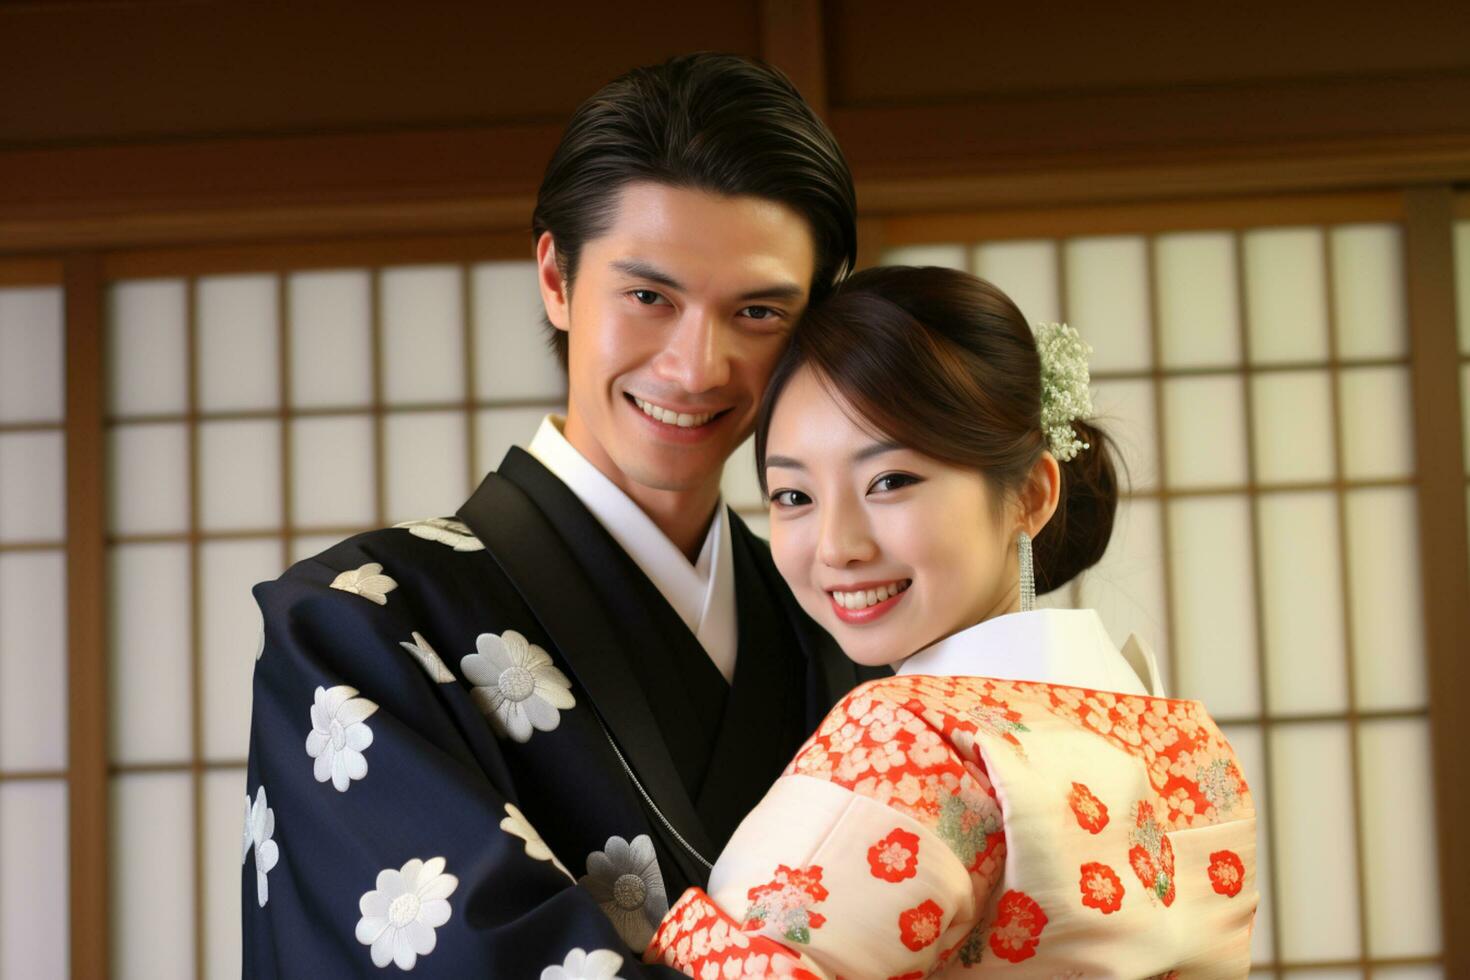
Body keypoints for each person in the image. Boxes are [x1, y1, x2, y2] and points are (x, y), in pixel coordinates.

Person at [241, 54, 881, 977]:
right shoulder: (359, 624)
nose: (697, 367)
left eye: (757, 311)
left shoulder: (842, 628)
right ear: (556, 276)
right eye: (649, 297)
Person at [646, 267, 1258, 978]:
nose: (838, 545)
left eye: (890, 482)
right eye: (792, 494)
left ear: (1030, 494)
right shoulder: (1182, 744)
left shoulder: (908, 737)